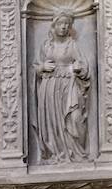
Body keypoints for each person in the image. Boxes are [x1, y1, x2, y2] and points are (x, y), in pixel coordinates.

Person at [34, 11, 90, 164]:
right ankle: (55, 153)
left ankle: (76, 153)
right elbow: (36, 67)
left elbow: (84, 67)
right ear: (54, 25)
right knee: (52, 123)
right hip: (50, 88)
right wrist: (42, 67)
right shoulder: (46, 46)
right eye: (60, 23)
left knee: (75, 117)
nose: (64, 27)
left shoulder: (72, 45)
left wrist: (78, 69)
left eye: (67, 24)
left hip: (70, 87)